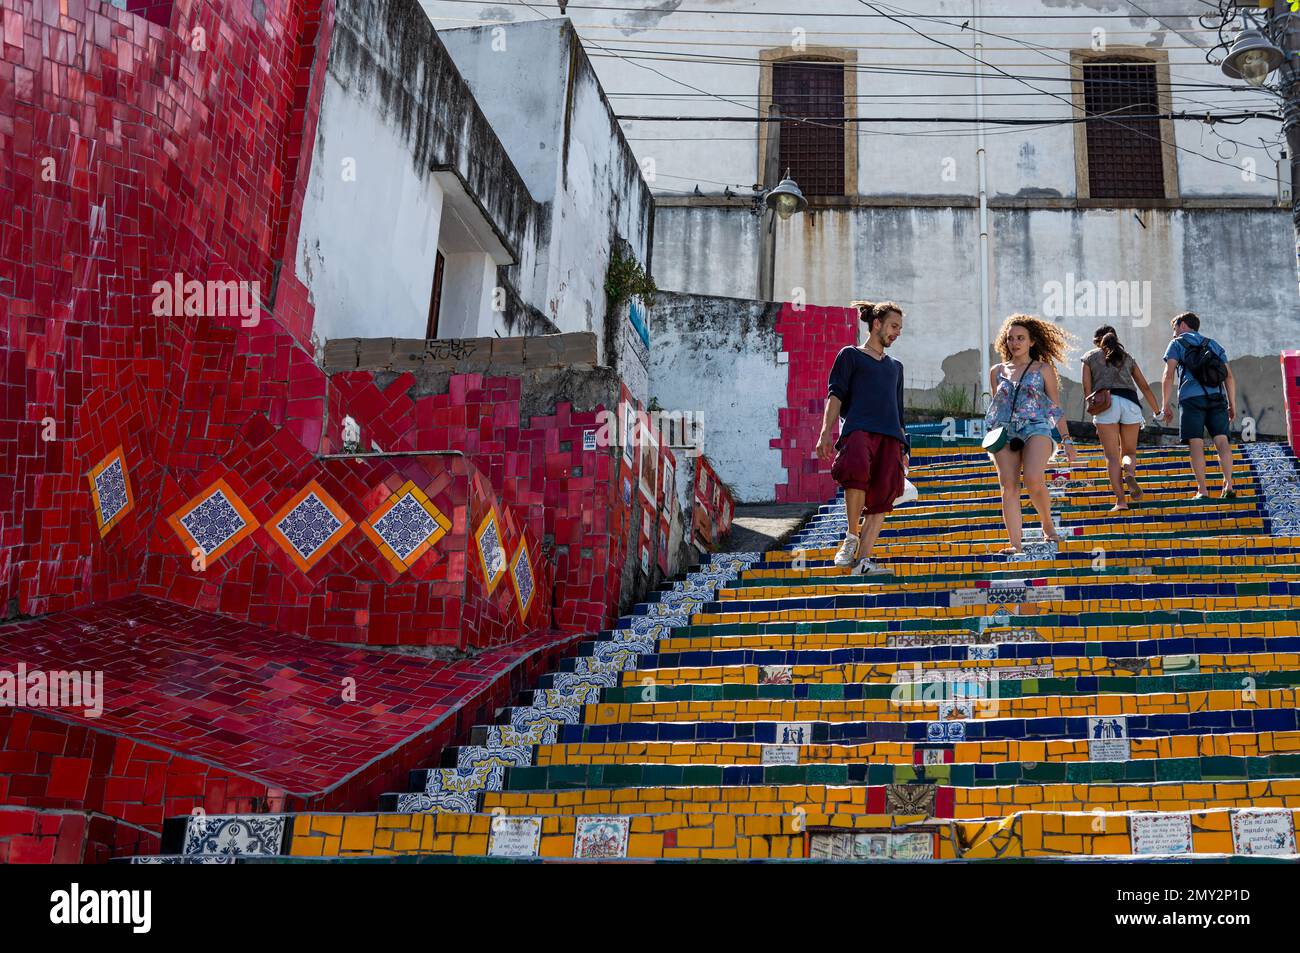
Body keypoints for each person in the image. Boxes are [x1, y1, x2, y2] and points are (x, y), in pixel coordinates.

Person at [816, 300, 910, 573]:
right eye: (894, 326)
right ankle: (851, 535)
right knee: (855, 473)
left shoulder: (896, 367)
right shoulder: (850, 355)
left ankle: (865, 561)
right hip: (858, 428)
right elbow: (836, 395)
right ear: (877, 324)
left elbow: (899, 411)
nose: (897, 332)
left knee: (884, 494)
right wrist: (825, 433)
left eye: (900, 328)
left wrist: (905, 450)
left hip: (891, 436)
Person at [985, 314, 1078, 555]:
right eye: (1010, 339)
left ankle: (1047, 523)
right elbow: (998, 405)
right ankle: (1015, 544)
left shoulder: (1043, 369)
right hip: (1005, 431)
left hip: (1036, 427)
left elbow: (1054, 407)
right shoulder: (996, 371)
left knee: (1034, 478)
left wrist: (1066, 439)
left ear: (1032, 342)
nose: (1014, 343)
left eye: (1020, 338)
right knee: (1008, 486)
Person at [1081, 325, 1160, 511]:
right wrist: (1158, 411)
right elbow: (1145, 387)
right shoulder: (1127, 357)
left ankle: (1121, 501)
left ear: (1096, 341)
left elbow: (1087, 388)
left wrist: (1091, 407)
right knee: (1129, 453)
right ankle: (1129, 473)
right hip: (1130, 403)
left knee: (1111, 456)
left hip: (1105, 403)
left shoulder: (1089, 357)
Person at [1159, 311, 1236, 499]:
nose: (1173, 333)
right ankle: (1229, 485)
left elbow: (1168, 375)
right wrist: (1232, 404)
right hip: (1217, 397)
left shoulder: (1177, 344)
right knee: (1222, 441)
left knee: (1196, 442)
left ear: (1183, 325)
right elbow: (1229, 376)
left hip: (1191, 398)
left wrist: (1165, 404)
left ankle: (1202, 490)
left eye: (1174, 328)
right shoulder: (1213, 344)